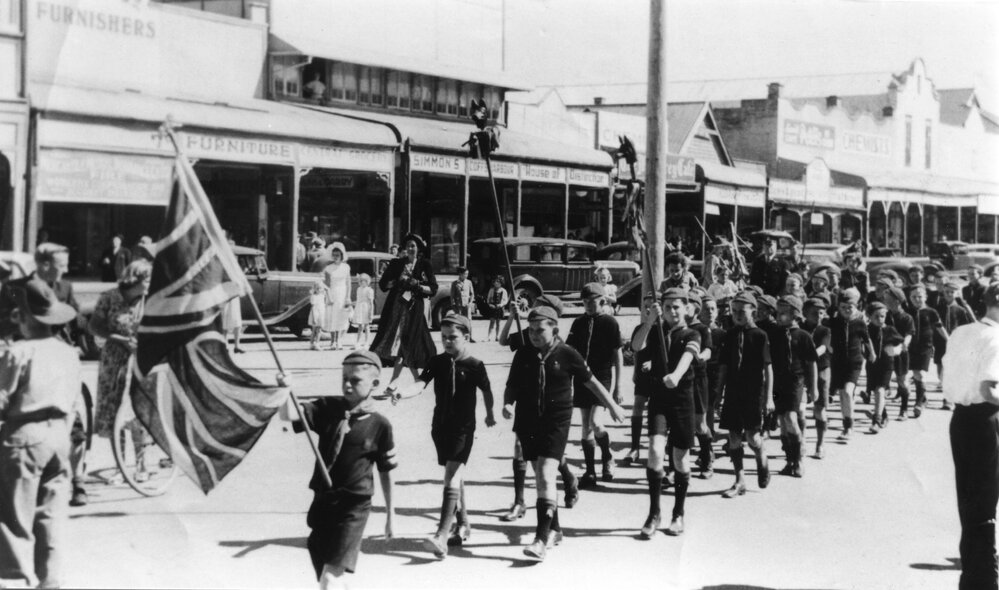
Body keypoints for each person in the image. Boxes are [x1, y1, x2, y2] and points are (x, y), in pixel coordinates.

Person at [502, 306, 624, 561]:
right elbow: (512, 383)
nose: (534, 334)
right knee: (541, 475)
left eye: (540, 329)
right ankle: (555, 529)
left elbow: (591, 381)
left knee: (546, 474)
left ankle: (540, 540)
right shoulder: (524, 353)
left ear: (554, 328)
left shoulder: (567, 354)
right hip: (527, 420)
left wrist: (611, 404)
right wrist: (507, 403)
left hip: (556, 420)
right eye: (531, 329)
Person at [281, 351, 396, 589]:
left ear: (374, 384)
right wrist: (284, 389)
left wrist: (390, 515)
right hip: (324, 501)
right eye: (344, 378)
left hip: (354, 506)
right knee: (329, 575)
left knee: (330, 577)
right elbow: (289, 415)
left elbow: (386, 472)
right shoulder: (327, 408)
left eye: (355, 380)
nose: (347, 385)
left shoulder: (380, 425)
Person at [388, 315, 494, 558]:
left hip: (463, 429)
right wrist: (403, 393)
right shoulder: (437, 361)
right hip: (441, 427)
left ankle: (442, 534)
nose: (447, 341)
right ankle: (464, 523)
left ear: (466, 337)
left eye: (453, 337)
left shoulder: (475, 365)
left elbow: (487, 391)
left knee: (452, 474)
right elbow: (421, 383)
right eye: (443, 336)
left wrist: (489, 414)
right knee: (454, 474)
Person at [0, 278, 80, 588]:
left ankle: (17, 580)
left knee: (14, 515)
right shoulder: (67, 353)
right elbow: (74, 403)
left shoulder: (19, 352)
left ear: (22, 316)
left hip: (23, 436)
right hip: (59, 436)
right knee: (51, 514)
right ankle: (50, 579)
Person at [496, 295, 579, 519]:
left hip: (549, 406)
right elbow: (503, 341)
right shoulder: (529, 333)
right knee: (520, 449)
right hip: (525, 401)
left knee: (549, 455)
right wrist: (512, 317)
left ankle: (569, 478)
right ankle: (519, 501)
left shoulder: (551, 338)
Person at [941, 284, 999, 590]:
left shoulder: (961, 332)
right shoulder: (995, 337)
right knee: (986, 503)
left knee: (970, 503)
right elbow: (989, 390)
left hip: (960, 419)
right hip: (986, 419)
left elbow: (944, 373)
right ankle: (985, 581)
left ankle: (973, 578)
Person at [631, 288, 701, 537]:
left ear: (687, 308)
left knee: (680, 459)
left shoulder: (693, 332)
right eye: (668, 306)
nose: (672, 311)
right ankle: (654, 512)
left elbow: (689, 355)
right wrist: (650, 321)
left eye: (677, 307)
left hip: (682, 401)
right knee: (654, 452)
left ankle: (678, 513)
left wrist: (676, 375)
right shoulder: (657, 331)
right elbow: (636, 346)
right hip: (660, 399)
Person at [565, 283, 622, 487]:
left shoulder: (610, 323)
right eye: (585, 301)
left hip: (603, 377)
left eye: (593, 301)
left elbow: (618, 355)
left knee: (596, 423)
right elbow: (569, 351)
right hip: (582, 380)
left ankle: (607, 456)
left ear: (603, 300)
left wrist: (618, 387)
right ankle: (590, 471)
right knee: (585, 427)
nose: (589, 305)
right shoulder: (578, 323)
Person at [717, 291, 773, 498]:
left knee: (752, 437)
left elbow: (768, 369)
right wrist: (718, 395)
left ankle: (762, 456)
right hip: (733, 392)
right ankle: (739, 480)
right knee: (733, 436)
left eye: (742, 311)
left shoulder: (760, 336)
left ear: (754, 312)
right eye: (734, 311)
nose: (738, 315)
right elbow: (723, 366)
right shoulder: (729, 334)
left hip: (753, 393)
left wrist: (768, 398)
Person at [89, 260, 151, 443]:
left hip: (140, 358)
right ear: (135, 279)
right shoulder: (109, 297)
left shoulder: (148, 301)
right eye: (148, 280)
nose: (151, 284)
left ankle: (141, 465)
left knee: (139, 407)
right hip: (114, 358)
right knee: (114, 407)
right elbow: (94, 327)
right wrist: (120, 339)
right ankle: (119, 460)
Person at [370, 234, 437, 384]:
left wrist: (418, 285)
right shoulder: (397, 263)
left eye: (413, 246)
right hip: (396, 308)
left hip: (414, 310)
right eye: (408, 246)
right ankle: (410, 381)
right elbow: (383, 285)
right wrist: (397, 282)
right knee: (399, 343)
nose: (411, 249)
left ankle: (403, 381)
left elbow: (433, 289)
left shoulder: (425, 264)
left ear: (418, 248)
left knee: (407, 343)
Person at [771, 295, 817, 478]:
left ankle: (798, 460)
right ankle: (789, 460)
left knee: (790, 417)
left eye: (783, 313)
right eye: (778, 312)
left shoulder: (803, 336)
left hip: (795, 381)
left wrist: (814, 388)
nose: (779, 316)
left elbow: (812, 362)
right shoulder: (775, 334)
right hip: (778, 381)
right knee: (783, 422)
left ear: (795, 314)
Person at [828, 288, 868, 440]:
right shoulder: (833, 322)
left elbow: (867, 339)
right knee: (843, 395)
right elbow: (826, 337)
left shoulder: (860, 323)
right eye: (843, 307)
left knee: (846, 391)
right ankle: (847, 419)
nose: (846, 310)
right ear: (838, 308)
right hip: (837, 363)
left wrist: (872, 353)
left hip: (854, 363)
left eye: (850, 307)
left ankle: (848, 427)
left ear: (856, 307)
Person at [936, 280, 975, 409]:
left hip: (955, 343)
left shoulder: (960, 309)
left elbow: (967, 327)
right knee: (940, 367)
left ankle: (948, 399)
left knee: (951, 370)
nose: (949, 294)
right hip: (940, 343)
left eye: (951, 292)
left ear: (956, 294)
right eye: (946, 292)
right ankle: (945, 391)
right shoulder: (938, 307)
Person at [866, 302, 904, 433]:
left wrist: (895, 350)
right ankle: (884, 415)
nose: (879, 319)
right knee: (875, 391)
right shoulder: (866, 329)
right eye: (876, 316)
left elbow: (901, 344)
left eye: (882, 316)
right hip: (871, 365)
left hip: (887, 364)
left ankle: (875, 421)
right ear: (869, 316)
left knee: (879, 390)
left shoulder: (890, 329)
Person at [908, 285, 946, 419]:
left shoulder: (931, 312)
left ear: (925, 297)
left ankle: (918, 402)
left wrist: (949, 340)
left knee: (921, 374)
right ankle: (923, 398)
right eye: (914, 297)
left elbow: (939, 327)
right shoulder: (908, 311)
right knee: (916, 374)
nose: (917, 299)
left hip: (926, 346)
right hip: (911, 348)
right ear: (909, 297)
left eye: (920, 296)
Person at [803, 296, 832, 458]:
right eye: (814, 313)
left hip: (821, 370)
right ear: (805, 313)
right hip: (803, 370)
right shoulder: (800, 328)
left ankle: (820, 444)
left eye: (821, 313)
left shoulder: (825, 330)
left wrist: (808, 353)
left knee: (819, 408)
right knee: (800, 409)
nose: (818, 316)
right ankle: (802, 440)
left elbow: (822, 348)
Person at [883, 287, 916, 421]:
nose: (885, 301)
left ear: (897, 301)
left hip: (901, 353)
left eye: (888, 299)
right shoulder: (884, 315)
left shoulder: (906, 317)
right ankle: (882, 414)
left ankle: (904, 409)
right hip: (885, 353)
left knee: (902, 381)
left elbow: (909, 334)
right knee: (883, 382)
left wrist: (903, 345)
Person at [322, 243, 353, 351]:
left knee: (341, 317)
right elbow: (326, 284)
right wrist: (328, 297)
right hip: (332, 293)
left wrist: (348, 297)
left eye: (338, 255)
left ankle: (339, 340)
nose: (335, 257)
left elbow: (348, 283)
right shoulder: (328, 268)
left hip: (342, 293)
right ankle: (332, 341)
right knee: (332, 317)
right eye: (334, 255)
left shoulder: (346, 267)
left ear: (342, 255)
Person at [449, 267, 475, 341]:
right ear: (460, 274)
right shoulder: (455, 283)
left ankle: (470, 337)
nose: (466, 275)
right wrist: (453, 305)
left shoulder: (469, 282)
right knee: (459, 322)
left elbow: (472, 294)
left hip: (467, 305)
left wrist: (470, 303)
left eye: (467, 274)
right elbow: (452, 296)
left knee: (468, 321)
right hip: (458, 306)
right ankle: (459, 337)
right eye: (465, 274)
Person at [353, 273, 375, 349]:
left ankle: (366, 342)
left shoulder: (369, 290)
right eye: (361, 281)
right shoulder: (358, 289)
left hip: (366, 308)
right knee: (360, 326)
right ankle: (358, 342)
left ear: (367, 281)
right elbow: (358, 300)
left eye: (364, 281)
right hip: (359, 308)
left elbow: (371, 303)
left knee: (366, 326)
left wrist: (371, 313)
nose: (362, 282)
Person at [484, 276, 509, 342]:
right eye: (495, 282)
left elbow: (506, 300)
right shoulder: (491, 290)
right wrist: (490, 304)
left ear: (501, 283)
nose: (496, 283)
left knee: (498, 323)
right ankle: (488, 336)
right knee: (492, 322)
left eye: (498, 282)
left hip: (499, 309)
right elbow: (488, 299)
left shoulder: (503, 291)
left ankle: (497, 336)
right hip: (493, 308)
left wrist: (501, 305)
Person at [308, 280, 329, 351]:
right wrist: (314, 317)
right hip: (316, 314)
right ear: (314, 289)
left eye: (320, 288)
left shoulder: (322, 295)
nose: (319, 290)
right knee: (315, 330)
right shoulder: (313, 296)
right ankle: (313, 344)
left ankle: (315, 343)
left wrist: (325, 288)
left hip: (321, 313)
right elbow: (313, 307)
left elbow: (326, 302)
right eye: (317, 288)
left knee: (317, 330)